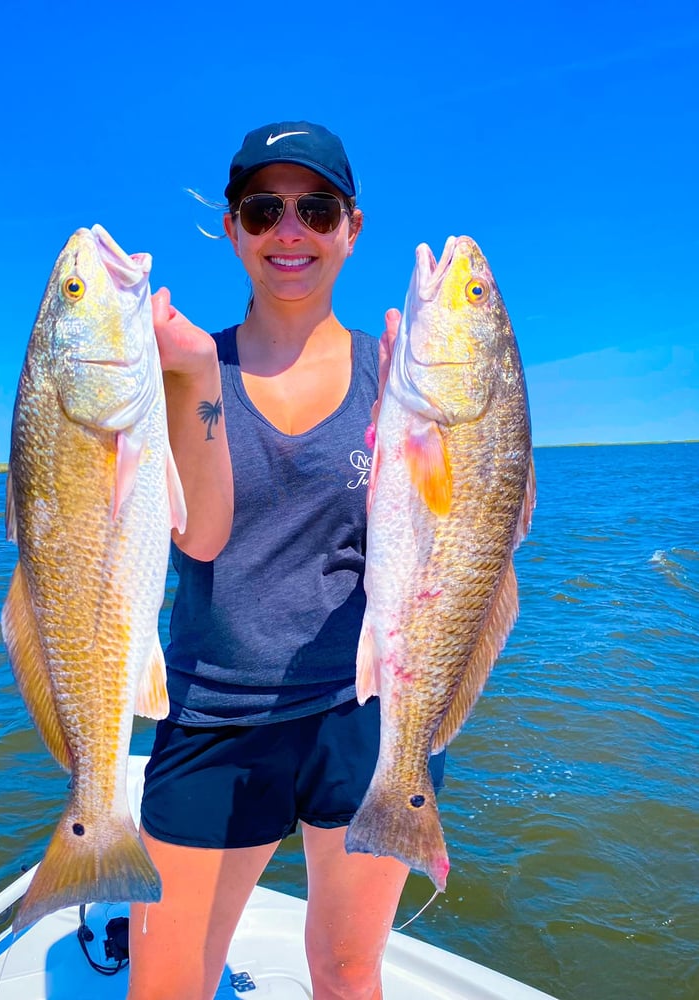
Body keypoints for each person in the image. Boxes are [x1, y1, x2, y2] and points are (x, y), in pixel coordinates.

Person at [126, 121, 445, 1000]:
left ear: (352, 226)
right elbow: (202, 536)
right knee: (165, 987)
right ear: (232, 230)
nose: (290, 231)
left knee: (346, 973)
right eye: (263, 210)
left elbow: (460, 544)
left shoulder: (407, 375)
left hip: (364, 712)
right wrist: (191, 381)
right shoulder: (181, 365)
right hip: (213, 713)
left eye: (316, 208)